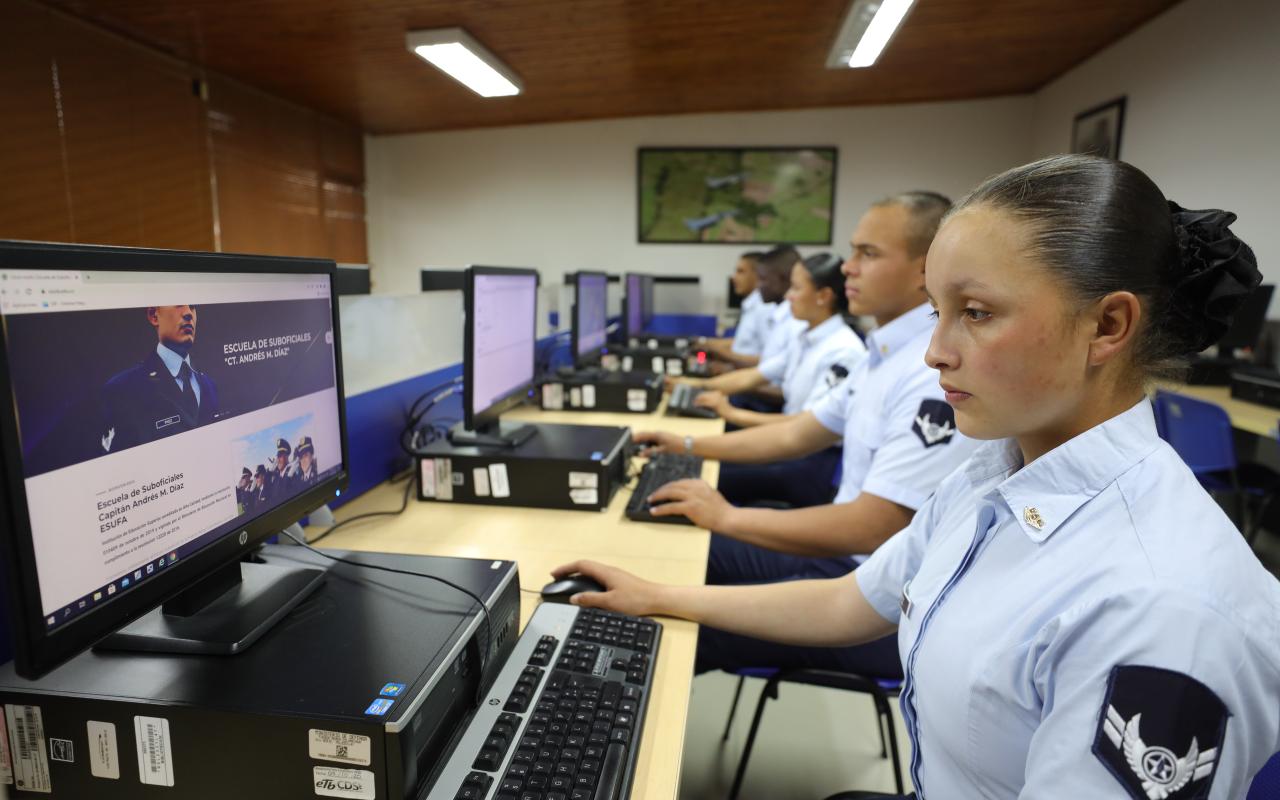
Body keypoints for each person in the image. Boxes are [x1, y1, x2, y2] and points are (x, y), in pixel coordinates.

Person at [555, 156, 1280, 798]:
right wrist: (659, 597)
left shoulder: (1160, 610)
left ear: (1109, 326)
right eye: (938, 312)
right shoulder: (995, 471)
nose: (934, 353)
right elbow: (851, 602)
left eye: (975, 313)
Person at [633, 192, 979, 675]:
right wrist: (687, 444)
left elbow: (875, 524)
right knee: (677, 553)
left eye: (868, 254)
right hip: (849, 569)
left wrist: (728, 518)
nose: (848, 269)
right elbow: (798, 434)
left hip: (875, 595)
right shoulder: (880, 354)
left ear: (926, 268)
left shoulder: (928, 369)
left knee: (671, 626)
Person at [691, 252, 867, 428]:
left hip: (810, 448)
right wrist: (697, 386)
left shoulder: (842, 351)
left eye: (796, 288)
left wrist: (731, 413)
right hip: (790, 433)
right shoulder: (804, 339)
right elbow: (754, 376)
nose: (788, 296)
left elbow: (809, 424)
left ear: (823, 296)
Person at [98, 304, 220, 453]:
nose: (188, 313)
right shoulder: (121, 389)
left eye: (193, 306)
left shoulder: (210, 385)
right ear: (154, 315)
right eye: (179, 303)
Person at [697, 251, 767, 359]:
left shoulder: (764, 309)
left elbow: (763, 360)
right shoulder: (751, 306)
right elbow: (741, 344)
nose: (734, 278)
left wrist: (711, 347)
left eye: (741, 272)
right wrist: (704, 343)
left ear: (758, 275)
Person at [266, 437, 294, 502]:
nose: (278, 459)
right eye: (277, 456)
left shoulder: (291, 475)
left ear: (287, 456)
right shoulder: (277, 477)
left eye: (280, 455)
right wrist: (270, 472)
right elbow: (267, 488)